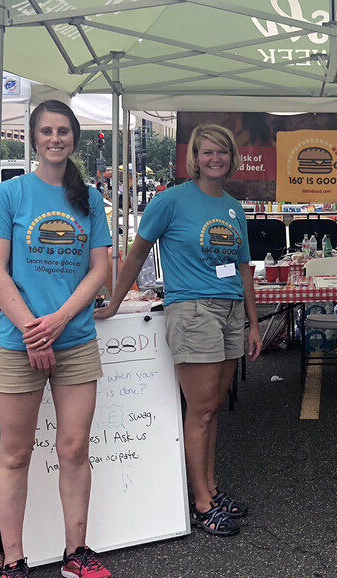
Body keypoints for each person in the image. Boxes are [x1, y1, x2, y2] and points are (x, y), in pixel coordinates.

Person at [96, 123, 263, 537]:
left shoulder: (232, 207)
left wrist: (254, 321)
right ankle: (201, 503)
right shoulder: (170, 201)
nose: (215, 159)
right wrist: (115, 300)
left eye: (222, 152)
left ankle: (210, 487)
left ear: (231, 157)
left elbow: (243, 268)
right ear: (195, 159)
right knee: (202, 407)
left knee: (213, 407)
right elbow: (136, 252)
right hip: (192, 310)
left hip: (229, 311)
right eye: (207, 152)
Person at [0, 99, 114, 578]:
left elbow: (99, 269)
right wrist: (33, 329)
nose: (55, 138)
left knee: (74, 449)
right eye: (46, 131)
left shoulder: (90, 197)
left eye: (63, 131)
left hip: (75, 337)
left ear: (74, 138)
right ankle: (14, 565)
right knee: (14, 454)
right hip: (19, 343)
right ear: (32, 138)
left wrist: (58, 322)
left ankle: (75, 552)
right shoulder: (8, 194)